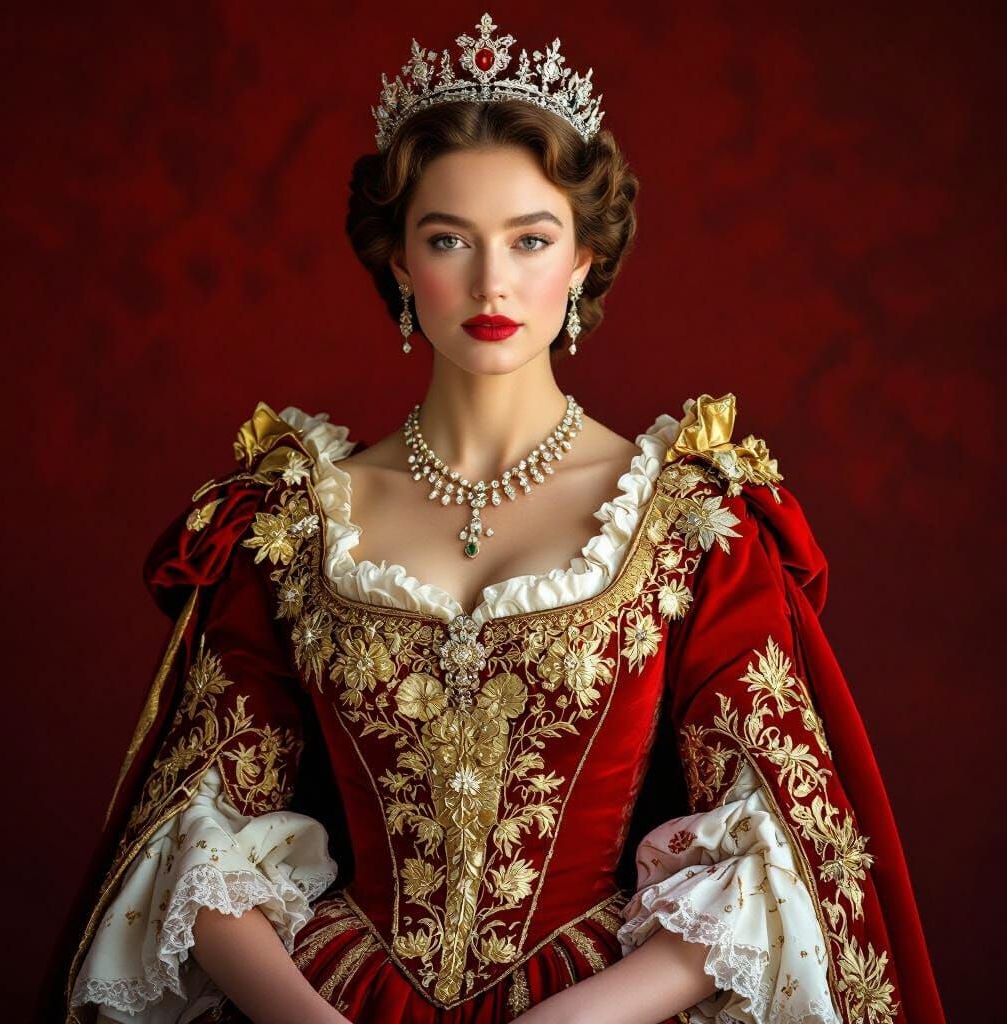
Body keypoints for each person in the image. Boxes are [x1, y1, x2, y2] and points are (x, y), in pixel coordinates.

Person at [59, 12, 944, 1024]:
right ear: (400, 264)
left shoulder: (689, 521)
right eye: (449, 240)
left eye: (530, 240)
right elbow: (196, 830)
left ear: (582, 260)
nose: (491, 283)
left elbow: (774, 844)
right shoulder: (293, 519)